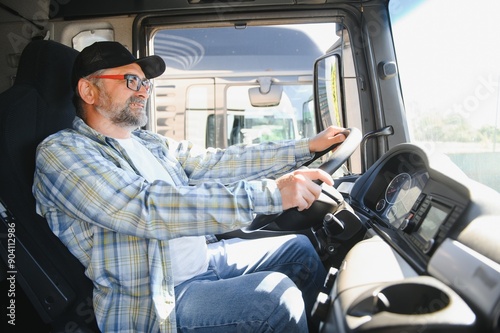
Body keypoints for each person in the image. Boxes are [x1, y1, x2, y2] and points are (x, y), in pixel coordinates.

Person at [33, 41, 347, 333]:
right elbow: (145, 207)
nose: (143, 91)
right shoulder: (62, 153)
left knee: (300, 251)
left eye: (145, 83)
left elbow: (216, 162)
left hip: (204, 259)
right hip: (157, 298)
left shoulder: (147, 141)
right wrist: (271, 194)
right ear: (88, 90)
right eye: (131, 81)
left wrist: (306, 147)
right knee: (276, 300)